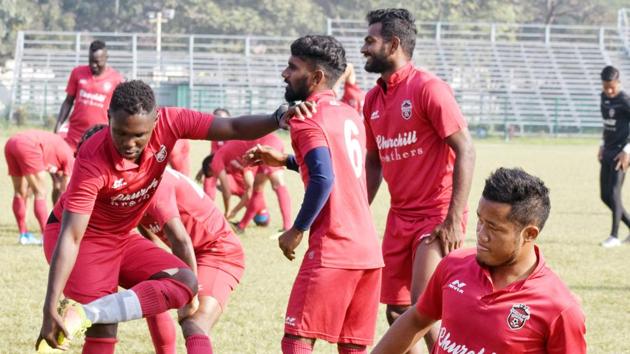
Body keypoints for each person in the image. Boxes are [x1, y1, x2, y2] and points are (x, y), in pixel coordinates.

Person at [36, 79, 308, 353]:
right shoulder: (92, 158)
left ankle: (85, 314)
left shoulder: (171, 122)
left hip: (121, 237)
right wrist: (49, 305)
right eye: (120, 133)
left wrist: (277, 117)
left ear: (156, 120)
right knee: (105, 327)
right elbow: (71, 236)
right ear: (108, 118)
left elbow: (234, 127)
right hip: (83, 240)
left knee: (185, 282)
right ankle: (80, 315)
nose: (129, 144)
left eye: (139, 135)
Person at [246, 35, 383, 354]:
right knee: (352, 347)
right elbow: (337, 167)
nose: (284, 73)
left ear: (316, 77)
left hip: (334, 249)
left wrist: (296, 230)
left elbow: (324, 178)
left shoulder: (307, 119)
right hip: (367, 253)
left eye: (293, 67)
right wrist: (285, 160)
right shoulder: (350, 114)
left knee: (297, 340)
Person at [372, 167, 587, 354]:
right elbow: (417, 319)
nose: (481, 234)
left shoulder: (559, 309)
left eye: (494, 227)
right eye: (480, 221)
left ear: (529, 234)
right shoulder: (454, 265)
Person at [360, 8, 476, 352]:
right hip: (399, 217)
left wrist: (454, 218)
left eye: (370, 40)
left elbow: (465, 149)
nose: (363, 48)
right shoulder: (372, 99)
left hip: (436, 216)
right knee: (396, 311)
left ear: (393, 44)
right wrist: (359, 214)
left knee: (422, 308)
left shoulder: (428, 88)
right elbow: (372, 162)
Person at [138, 167, 245, 354]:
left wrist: (189, 297)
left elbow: (181, 241)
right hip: (188, 252)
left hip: (218, 252)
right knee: (151, 292)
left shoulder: (153, 181)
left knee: (194, 322)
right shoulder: (123, 180)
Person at [4, 130, 74, 245]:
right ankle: (45, 236)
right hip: (29, 145)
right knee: (41, 192)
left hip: (11, 142)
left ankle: (23, 235)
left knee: (19, 192)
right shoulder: (71, 159)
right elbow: (63, 191)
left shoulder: (58, 152)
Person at [54, 40, 124, 151]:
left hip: (99, 136)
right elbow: (68, 101)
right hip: (74, 135)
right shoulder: (77, 73)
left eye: (97, 62)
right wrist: (59, 124)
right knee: (69, 166)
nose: (93, 65)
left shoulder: (116, 79)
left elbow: (120, 109)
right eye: (90, 61)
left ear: (106, 58)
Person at [597, 65, 630, 247]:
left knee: (614, 194)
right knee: (605, 196)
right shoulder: (603, 97)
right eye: (605, 86)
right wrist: (602, 145)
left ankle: (614, 236)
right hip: (608, 150)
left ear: (619, 83)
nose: (609, 91)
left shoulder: (625, 100)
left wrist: (628, 150)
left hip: (622, 153)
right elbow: (606, 124)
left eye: (612, 87)